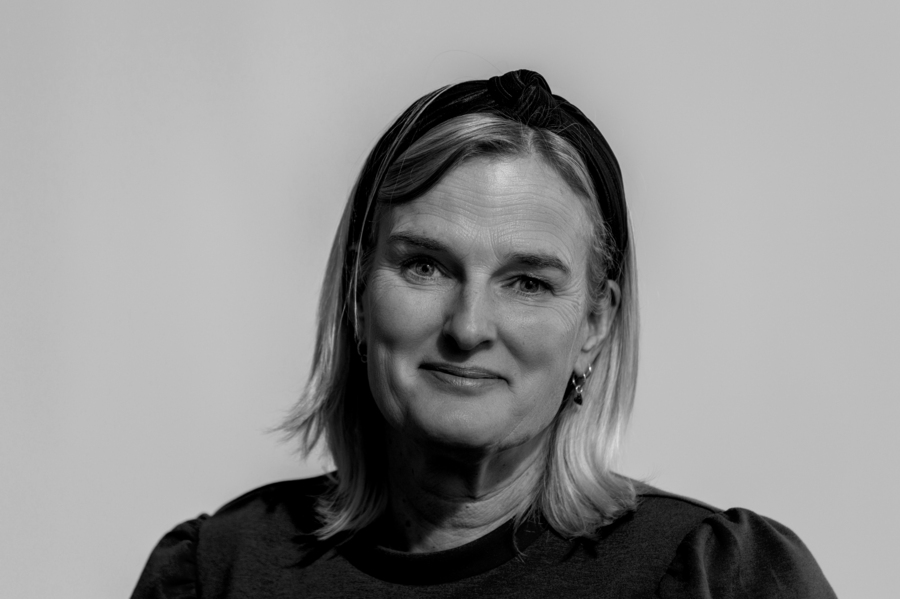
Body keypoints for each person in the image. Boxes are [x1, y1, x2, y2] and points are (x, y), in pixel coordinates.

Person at [132, 70, 836, 597]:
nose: (468, 327)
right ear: (357, 291)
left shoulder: (717, 578)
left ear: (594, 323)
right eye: (426, 265)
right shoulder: (216, 573)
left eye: (527, 281)